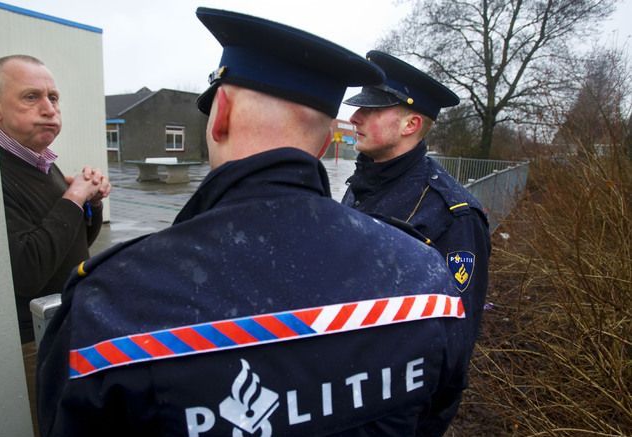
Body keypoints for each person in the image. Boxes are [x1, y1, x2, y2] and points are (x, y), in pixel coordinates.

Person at [37, 8, 470, 436]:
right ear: (322, 144)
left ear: (220, 112)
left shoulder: (112, 304)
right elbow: (433, 413)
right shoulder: (427, 277)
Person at [341, 50, 491, 348]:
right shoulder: (363, 183)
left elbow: (456, 332)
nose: (354, 117)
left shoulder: (454, 215)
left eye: (370, 110)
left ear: (410, 125)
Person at [0, 54, 111, 344]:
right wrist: (73, 196)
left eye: (53, 98)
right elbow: (28, 270)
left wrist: (90, 201)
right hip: (33, 341)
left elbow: (77, 239)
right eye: (31, 97)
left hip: (68, 323)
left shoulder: (41, 161)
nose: (49, 109)